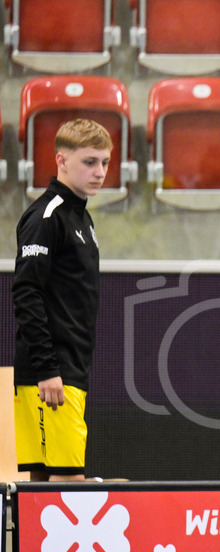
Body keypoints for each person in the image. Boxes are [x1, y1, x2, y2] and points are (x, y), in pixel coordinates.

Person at [13, 119, 112, 482]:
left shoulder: (82, 219)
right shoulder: (46, 216)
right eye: (89, 162)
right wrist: (47, 369)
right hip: (52, 373)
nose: (99, 172)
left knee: (42, 487)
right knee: (69, 486)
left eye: (105, 162)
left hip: (68, 369)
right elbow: (27, 293)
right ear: (62, 160)